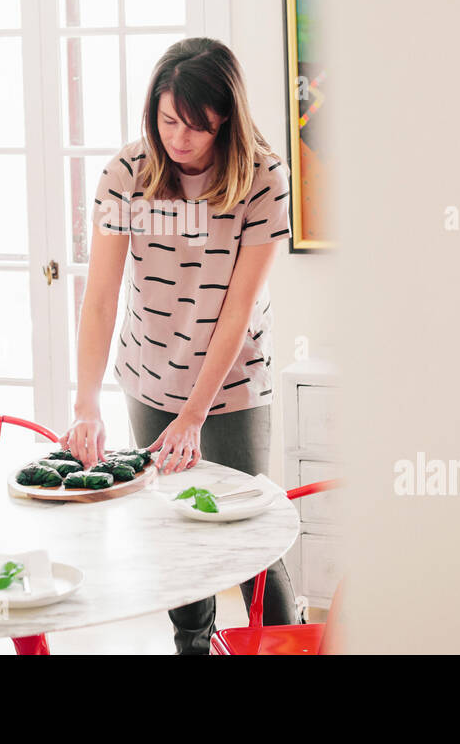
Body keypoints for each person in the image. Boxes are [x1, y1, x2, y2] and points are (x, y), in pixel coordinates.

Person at [61, 36, 297, 654]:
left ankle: (284, 645)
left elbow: (238, 311)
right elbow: (101, 298)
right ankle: (191, 646)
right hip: (151, 373)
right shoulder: (126, 175)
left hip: (235, 378)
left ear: (225, 120)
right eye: (168, 120)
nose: (180, 138)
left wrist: (196, 415)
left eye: (197, 126)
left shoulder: (264, 179)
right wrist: (86, 402)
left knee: (248, 531)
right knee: (178, 527)